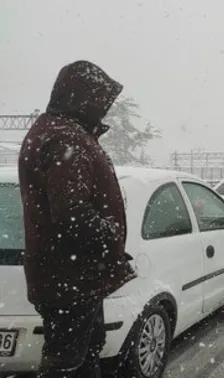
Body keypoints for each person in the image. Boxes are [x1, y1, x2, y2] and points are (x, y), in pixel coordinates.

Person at [18, 60, 136, 377]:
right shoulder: (65, 139)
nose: (104, 109)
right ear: (81, 97)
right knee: (69, 366)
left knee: (82, 356)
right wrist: (109, 233)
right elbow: (71, 214)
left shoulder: (58, 132)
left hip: (69, 276)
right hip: (70, 278)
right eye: (100, 101)